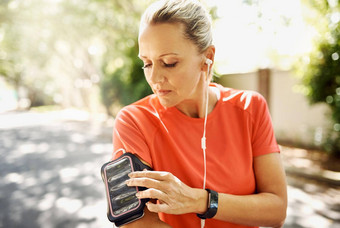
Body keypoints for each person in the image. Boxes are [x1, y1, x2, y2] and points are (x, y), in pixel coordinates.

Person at [111, 0, 287, 227]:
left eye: (169, 63)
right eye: (147, 63)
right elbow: (133, 221)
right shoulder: (133, 121)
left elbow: (276, 211)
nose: (154, 78)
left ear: (207, 58)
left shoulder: (250, 108)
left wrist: (200, 201)